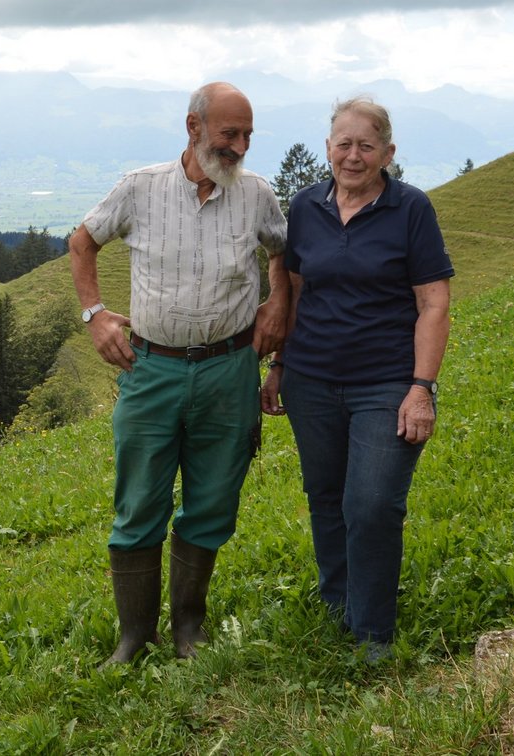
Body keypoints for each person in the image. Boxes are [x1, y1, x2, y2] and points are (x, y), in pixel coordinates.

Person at [69, 81, 290, 663]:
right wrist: (94, 316)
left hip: (229, 370)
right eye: (229, 134)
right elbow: (81, 242)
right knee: (139, 502)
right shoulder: (140, 190)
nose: (240, 147)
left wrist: (279, 300)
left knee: (213, 499)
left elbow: (283, 250)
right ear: (193, 129)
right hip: (153, 369)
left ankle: (188, 631)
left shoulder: (257, 195)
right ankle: (133, 638)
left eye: (246, 136)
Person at [261, 96, 453, 661]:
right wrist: (279, 365)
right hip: (311, 380)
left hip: (386, 382)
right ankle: (337, 604)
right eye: (343, 144)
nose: (352, 155)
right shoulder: (305, 208)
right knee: (325, 496)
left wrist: (422, 388)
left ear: (387, 153)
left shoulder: (410, 209)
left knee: (371, 503)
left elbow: (433, 303)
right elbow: (293, 292)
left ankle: (372, 634)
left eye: (366, 146)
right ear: (327, 149)